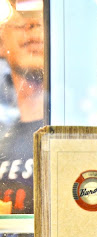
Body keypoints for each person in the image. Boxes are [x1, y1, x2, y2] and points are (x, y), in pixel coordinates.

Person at [0, 2, 44, 214]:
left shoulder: (84, 124)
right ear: (1, 41)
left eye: (43, 19)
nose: (32, 27)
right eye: (20, 20)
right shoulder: (3, 132)